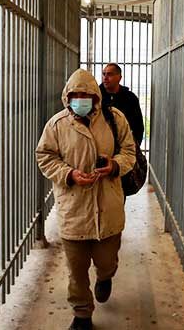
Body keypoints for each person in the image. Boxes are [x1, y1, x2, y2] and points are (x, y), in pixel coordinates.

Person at [36, 69, 136, 330]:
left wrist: (114, 165)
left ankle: (105, 277)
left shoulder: (114, 119)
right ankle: (82, 314)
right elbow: (45, 156)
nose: (80, 99)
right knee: (76, 271)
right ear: (67, 97)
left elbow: (129, 151)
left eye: (86, 95)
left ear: (95, 96)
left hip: (108, 207)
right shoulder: (57, 125)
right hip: (74, 210)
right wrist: (68, 174)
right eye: (75, 95)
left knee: (107, 261)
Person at [100, 63, 145, 146]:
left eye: (110, 74)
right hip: (101, 146)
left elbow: (138, 126)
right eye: (103, 74)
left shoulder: (130, 98)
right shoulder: (96, 97)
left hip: (125, 145)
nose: (105, 78)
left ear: (119, 78)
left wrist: (134, 147)